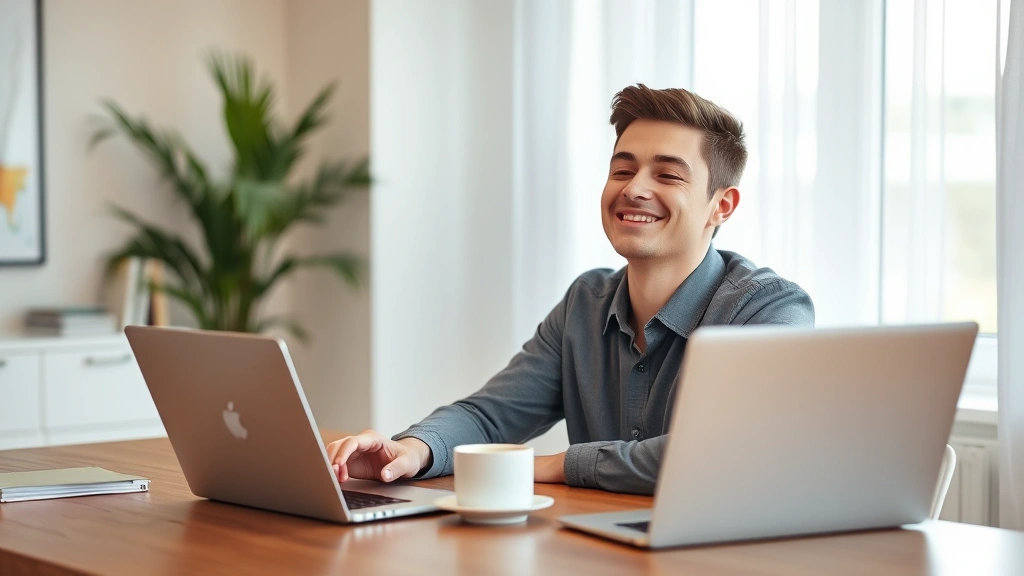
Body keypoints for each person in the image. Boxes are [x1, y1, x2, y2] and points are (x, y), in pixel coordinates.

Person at [327, 84, 814, 495]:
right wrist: (411, 452)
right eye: (622, 170)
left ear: (721, 205)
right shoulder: (586, 303)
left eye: (667, 174)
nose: (634, 188)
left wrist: (560, 465)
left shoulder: (769, 309)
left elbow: (725, 453)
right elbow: (492, 417)